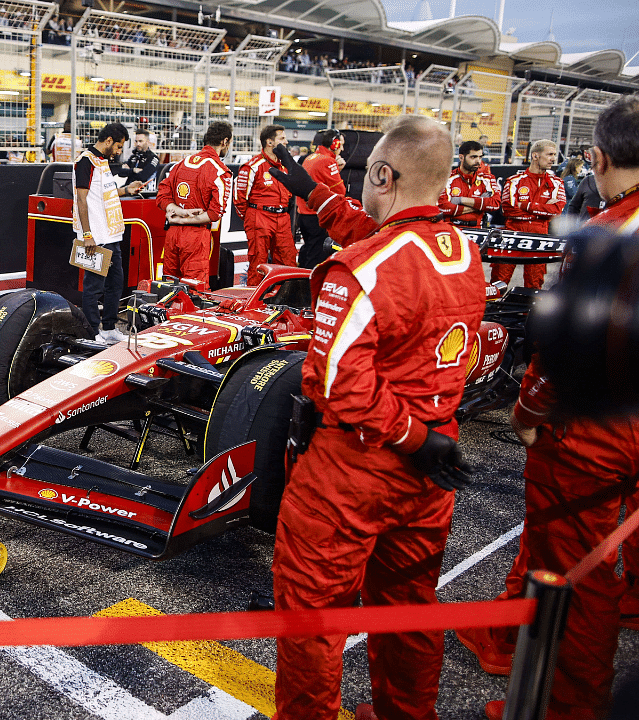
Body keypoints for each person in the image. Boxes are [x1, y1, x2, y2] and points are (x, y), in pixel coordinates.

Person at [269, 115, 487, 720]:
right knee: (409, 605)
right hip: (434, 466)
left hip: (356, 468)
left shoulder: (362, 267)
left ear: (384, 174)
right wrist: (314, 193)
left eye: (368, 175)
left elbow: (336, 381)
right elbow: (386, 235)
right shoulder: (462, 251)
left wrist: (410, 437)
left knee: (311, 617)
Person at [463, 95, 639, 720]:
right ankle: (507, 637)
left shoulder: (605, 235)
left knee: (579, 569)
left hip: (593, 425)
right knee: (558, 538)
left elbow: (559, 352)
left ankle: (570, 704)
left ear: (595, 157)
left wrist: (526, 414)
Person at [74, 122, 144, 344]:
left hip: (112, 235)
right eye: (119, 146)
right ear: (108, 141)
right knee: (93, 287)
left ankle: (110, 328)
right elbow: (81, 199)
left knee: (115, 284)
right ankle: (92, 331)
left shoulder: (102, 162)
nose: (119, 151)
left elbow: (105, 193)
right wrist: (87, 234)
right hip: (96, 237)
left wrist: (126, 190)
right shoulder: (85, 161)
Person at [155, 121, 234, 287]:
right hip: (196, 238)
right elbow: (214, 214)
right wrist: (185, 218)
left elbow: (161, 196)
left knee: (169, 287)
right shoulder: (220, 171)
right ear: (224, 141)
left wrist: (177, 212)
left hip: (172, 234)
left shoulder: (182, 163)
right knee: (194, 290)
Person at [497, 139, 566, 289]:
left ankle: (527, 313)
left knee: (534, 285)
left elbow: (556, 210)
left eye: (554, 155)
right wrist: (542, 210)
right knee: (499, 282)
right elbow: (508, 210)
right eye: (549, 154)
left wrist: (525, 206)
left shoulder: (557, 183)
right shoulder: (514, 181)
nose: (553, 159)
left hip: (539, 237)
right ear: (535, 156)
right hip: (512, 235)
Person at [234, 124, 296, 285]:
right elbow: (239, 199)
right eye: (282, 138)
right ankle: (255, 303)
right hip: (259, 218)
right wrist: (252, 219)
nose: (287, 142)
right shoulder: (253, 166)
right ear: (270, 142)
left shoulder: (285, 166)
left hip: (283, 218)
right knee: (258, 263)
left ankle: (286, 299)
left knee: (288, 261)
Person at [295, 129, 346, 268]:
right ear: (334, 144)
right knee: (317, 257)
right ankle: (309, 287)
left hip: (304, 215)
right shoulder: (328, 161)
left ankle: (300, 282)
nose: (342, 148)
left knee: (308, 250)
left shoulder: (310, 158)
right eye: (340, 144)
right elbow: (340, 191)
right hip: (317, 217)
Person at [439, 140, 501, 229]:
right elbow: (444, 207)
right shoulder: (447, 178)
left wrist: (460, 200)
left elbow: (495, 204)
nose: (478, 161)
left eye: (480, 157)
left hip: (477, 229)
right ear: (461, 157)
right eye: (473, 157)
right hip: (451, 228)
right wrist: (480, 204)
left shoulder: (487, 178)